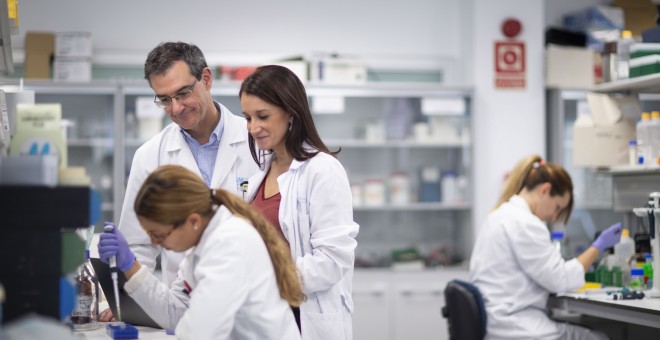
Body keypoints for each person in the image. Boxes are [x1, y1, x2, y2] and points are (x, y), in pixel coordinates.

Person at [98, 165, 304, 339]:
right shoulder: (203, 245)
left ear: (193, 221)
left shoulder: (229, 244)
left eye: (159, 235)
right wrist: (130, 266)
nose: (154, 243)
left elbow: (200, 333)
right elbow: (175, 312)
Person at [118, 41, 259, 288]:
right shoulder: (150, 156)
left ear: (206, 79)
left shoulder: (257, 141)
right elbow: (138, 245)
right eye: (164, 99)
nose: (176, 108)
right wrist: (133, 299)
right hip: (183, 304)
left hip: (248, 296)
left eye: (183, 93)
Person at [240, 65, 359, 340]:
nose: (253, 127)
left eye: (263, 116)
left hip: (303, 319)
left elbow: (333, 259)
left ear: (291, 113)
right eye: (247, 117)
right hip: (262, 319)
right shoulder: (259, 173)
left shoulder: (322, 170)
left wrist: (269, 279)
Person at [470, 154, 621, 340]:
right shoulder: (525, 223)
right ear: (545, 190)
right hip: (516, 328)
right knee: (600, 338)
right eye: (557, 207)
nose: (554, 216)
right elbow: (559, 280)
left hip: (497, 324)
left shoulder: (498, 216)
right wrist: (598, 246)